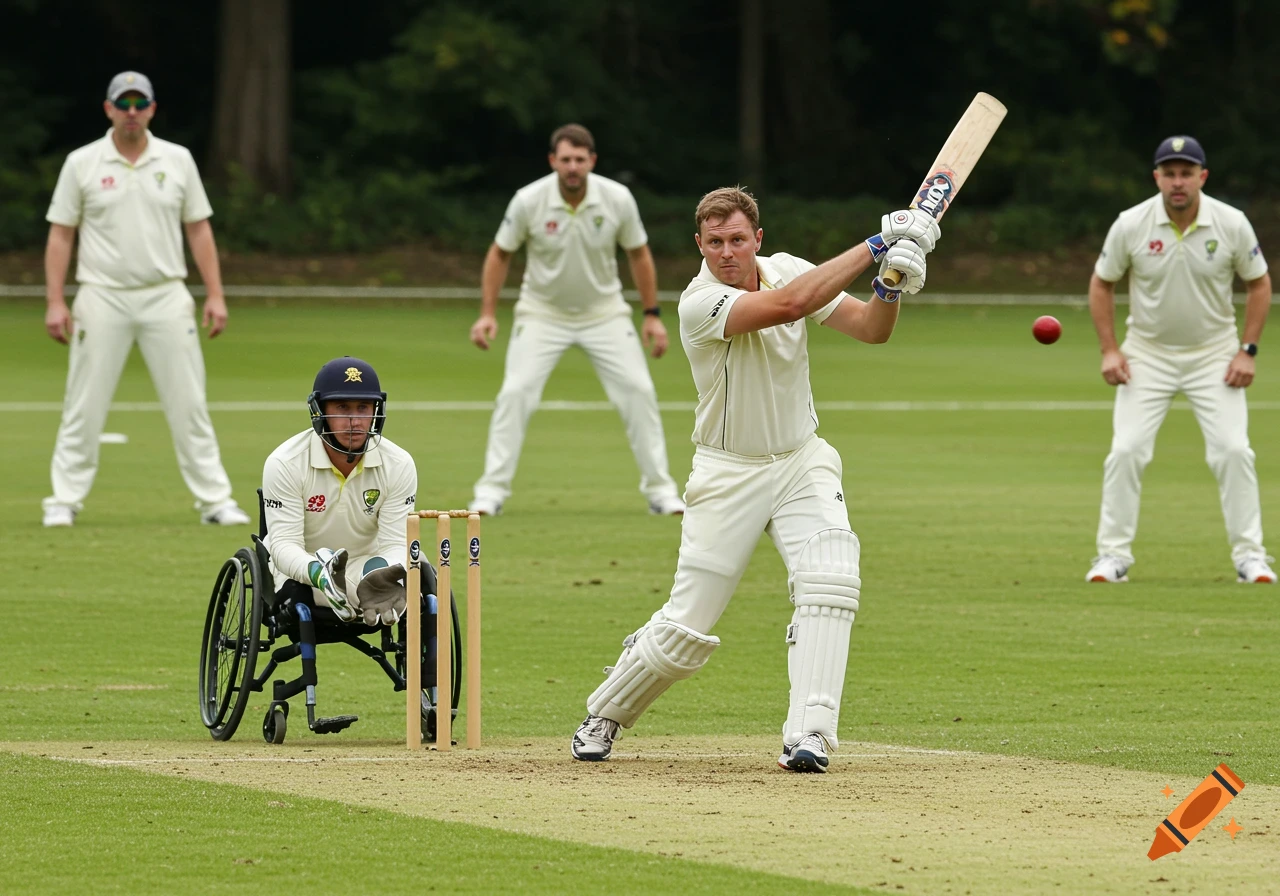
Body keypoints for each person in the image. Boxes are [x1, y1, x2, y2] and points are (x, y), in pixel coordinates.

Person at [569, 187, 938, 772]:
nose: (727, 253)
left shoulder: (788, 269)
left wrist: (888, 286)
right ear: (699, 245)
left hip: (800, 459)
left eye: (737, 240)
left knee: (831, 577)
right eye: (714, 242)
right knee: (688, 624)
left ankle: (810, 735)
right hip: (726, 472)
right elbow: (789, 307)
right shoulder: (698, 303)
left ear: (757, 239)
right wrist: (877, 243)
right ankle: (605, 712)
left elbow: (871, 330)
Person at [42, 71, 248, 527]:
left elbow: (198, 227)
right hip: (101, 294)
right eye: (123, 103)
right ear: (108, 108)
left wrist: (214, 293)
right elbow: (61, 234)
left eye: (140, 103)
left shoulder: (176, 160)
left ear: (152, 109)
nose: (131, 112)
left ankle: (215, 500)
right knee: (84, 402)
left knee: (189, 401)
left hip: (166, 295)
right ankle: (64, 499)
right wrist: (56, 301)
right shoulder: (82, 162)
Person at [467, 123, 685, 516]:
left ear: (592, 161)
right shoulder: (528, 200)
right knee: (515, 393)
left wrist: (652, 315)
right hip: (541, 312)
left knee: (639, 390)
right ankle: (491, 492)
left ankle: (661, 491)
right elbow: (500, 253)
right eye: (565, 159)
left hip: (604, 312)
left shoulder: (617, 198)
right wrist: (487, 313)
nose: (572, 167)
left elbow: (638, 254)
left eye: (579, 160)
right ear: (553, 160)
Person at [1086, 135, 1274, 584]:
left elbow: (1260, 284)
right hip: (1147, 354)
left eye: (1186, 173)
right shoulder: (1131, 224)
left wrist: (1247, 351)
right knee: (1126, 451)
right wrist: (1110, 349)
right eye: (1169, 173)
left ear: (1201, 177)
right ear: (1156, 177)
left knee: (1233, 451)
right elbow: (1101, 283)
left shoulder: (1232, 223)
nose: (1177, 182)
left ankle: (1251, 557)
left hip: (1215, 354)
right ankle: (1112, 556)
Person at [261, 356, 419, 629]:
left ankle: (423, 672)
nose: (354, 421)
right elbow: (284, 545)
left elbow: (396, 543)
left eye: (363, 407)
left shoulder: (399, 463)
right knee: (304, 586)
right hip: (298, 570)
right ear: (319, 410)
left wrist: (377, 574)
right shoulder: (284, 462)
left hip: (365, 567)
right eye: (342, 407)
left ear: (375, 411)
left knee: (421, 568)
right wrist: (318, 574)